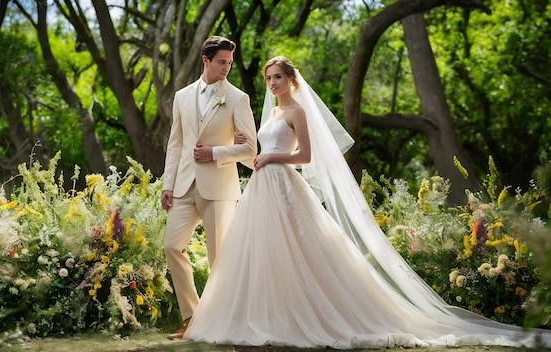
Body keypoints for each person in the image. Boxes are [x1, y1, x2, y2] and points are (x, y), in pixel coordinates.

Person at [181, 56, 551, 349]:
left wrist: (273, 157)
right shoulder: (274, 112)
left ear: (291, 80)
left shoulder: (296, 112)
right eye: (268, 78)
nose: (272, 83)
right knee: (260, 252)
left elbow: (306, 156)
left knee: (302, 250)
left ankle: (308, 314)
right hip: (262, 187)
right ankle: (260, 314)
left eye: (277, 76)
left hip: (282, 183)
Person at [161, 36, 257, 340]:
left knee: (219, 257)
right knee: (172, 246)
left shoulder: (237, 98)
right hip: (183, 185)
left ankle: (220, 322)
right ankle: (191, 317)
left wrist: (215, 152)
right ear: (206, 60)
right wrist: (168, 183)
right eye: (221, 62)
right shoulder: (182, 96)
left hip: (219, 186)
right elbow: (176, 144)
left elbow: (251, 150)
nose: (227, 67)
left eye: (229, 62)